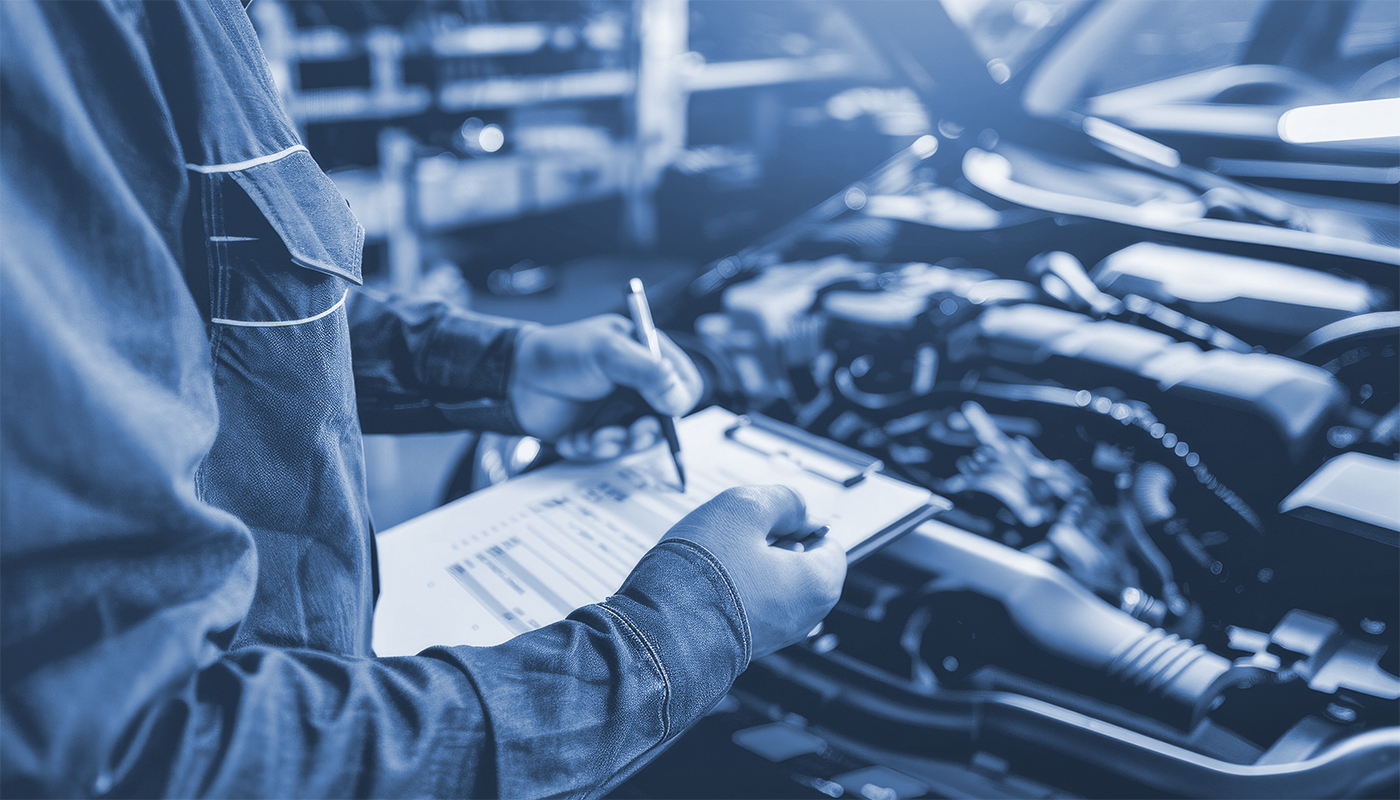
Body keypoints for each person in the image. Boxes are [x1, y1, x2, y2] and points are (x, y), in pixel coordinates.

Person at [0, 1, 847, 797]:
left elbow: (189, 301)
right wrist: (674, 643)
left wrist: (504, 364)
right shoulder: (54, 34)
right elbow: (135, 756)